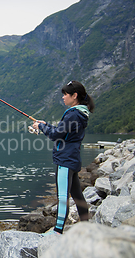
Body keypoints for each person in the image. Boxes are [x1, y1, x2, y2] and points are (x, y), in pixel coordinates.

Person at [31, 80, 95, 234]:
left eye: (65, 94)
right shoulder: (80, 113)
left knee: (62, 197)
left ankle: (58, 231)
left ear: (75, 96)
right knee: (78, 195)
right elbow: (62, 131)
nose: (63, 97)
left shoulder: (73, 114)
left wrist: (40, 127)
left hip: (65, 161)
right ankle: (87, 226)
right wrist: (45, 124)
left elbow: (55, 135)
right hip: (73, 159)